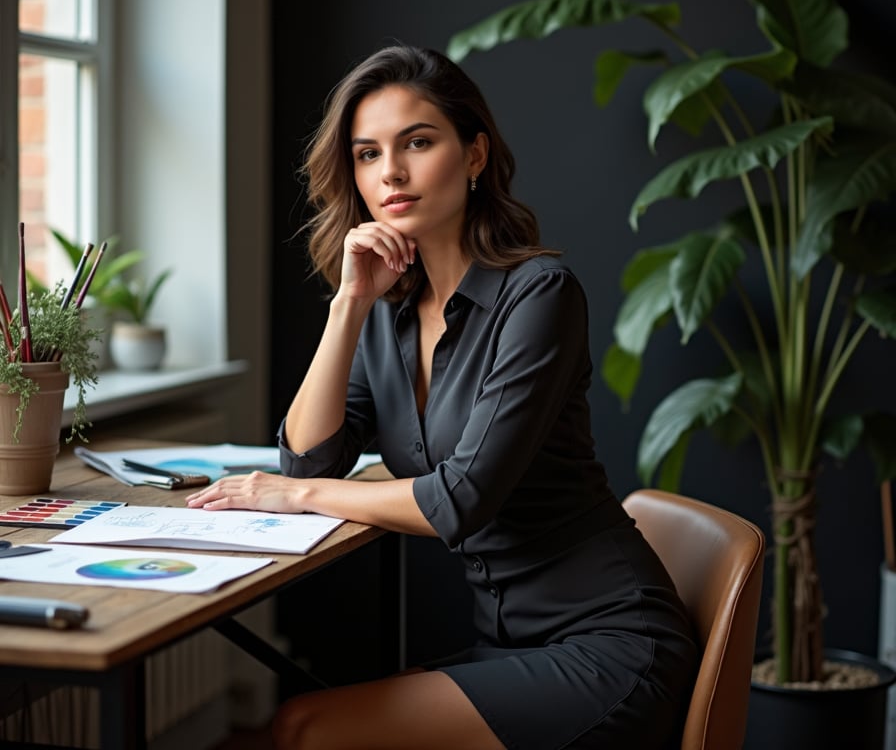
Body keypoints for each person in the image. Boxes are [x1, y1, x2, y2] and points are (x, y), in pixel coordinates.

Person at [186, 44, 698, 749]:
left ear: (476, 156)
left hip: (610, 646)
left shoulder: (539, 296)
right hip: (508, 644)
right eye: (367, 154)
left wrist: (293, 495)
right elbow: (309, 461)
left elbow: (458, 498)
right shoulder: (386, 314)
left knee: (306, 728)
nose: (390, 171)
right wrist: (348, 306)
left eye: (417, 142)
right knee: (304, 721)